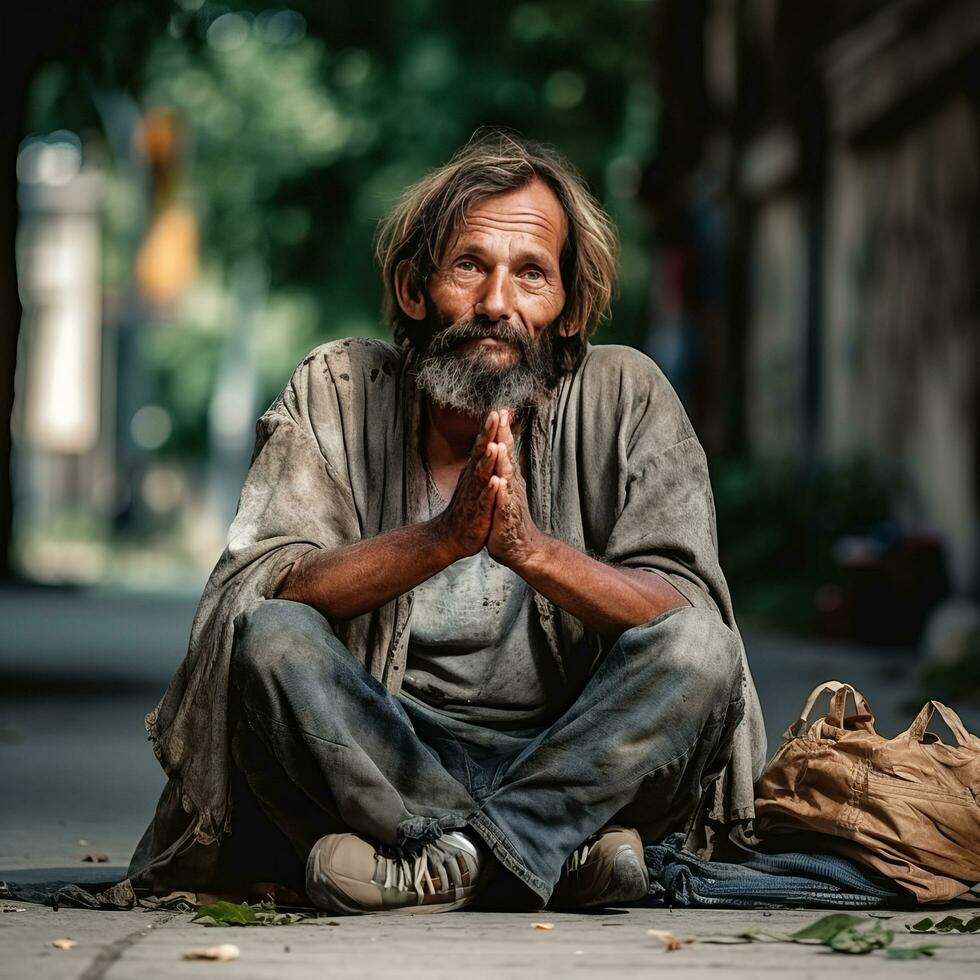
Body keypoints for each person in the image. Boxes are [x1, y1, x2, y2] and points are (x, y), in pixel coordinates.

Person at [129, 130, 766, 915]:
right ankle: (545, 855)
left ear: (570, 308)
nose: (497, 303)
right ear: (413, 288)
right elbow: (270, 579)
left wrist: (531, 552)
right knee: (270, 639)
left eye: (532, 274)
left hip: (579, 756)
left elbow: (681, 608)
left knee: (703, 648)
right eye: (470, 266)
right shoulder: (336, 388)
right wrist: (441, 540)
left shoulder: (627, 396)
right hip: (382, 764)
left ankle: (449, 861)